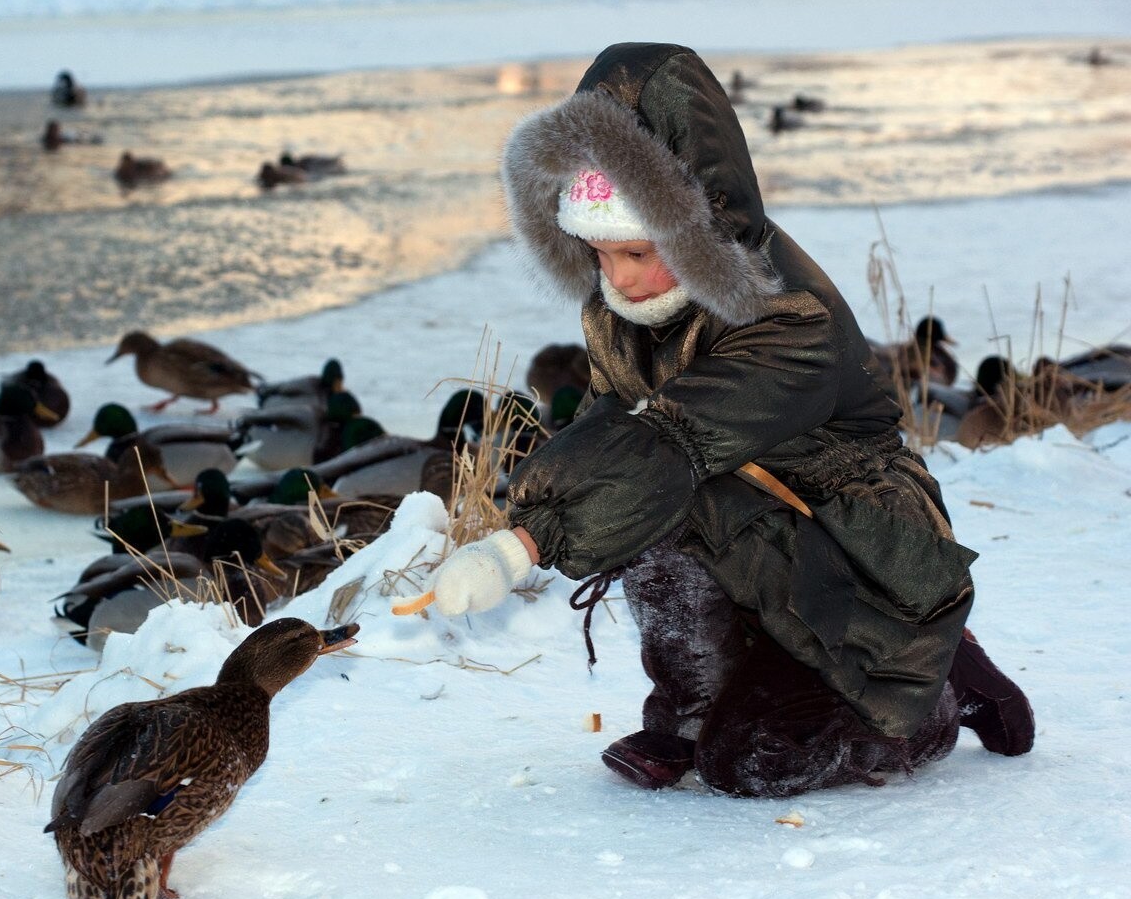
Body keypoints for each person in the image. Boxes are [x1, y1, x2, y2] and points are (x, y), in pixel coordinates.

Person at [429, 43, 1035, 799]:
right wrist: (536, 509)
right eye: (597, 252)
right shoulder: (624, 308)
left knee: (752, 763)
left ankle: (937, 686)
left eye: (635, 251)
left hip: (850, 543)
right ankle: (692, 705)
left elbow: (668, 444)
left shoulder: (787, 317)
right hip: (739, 515)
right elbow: (609, 431)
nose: (614, 278)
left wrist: (524, 546)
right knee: (653, 515)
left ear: (694, 229)